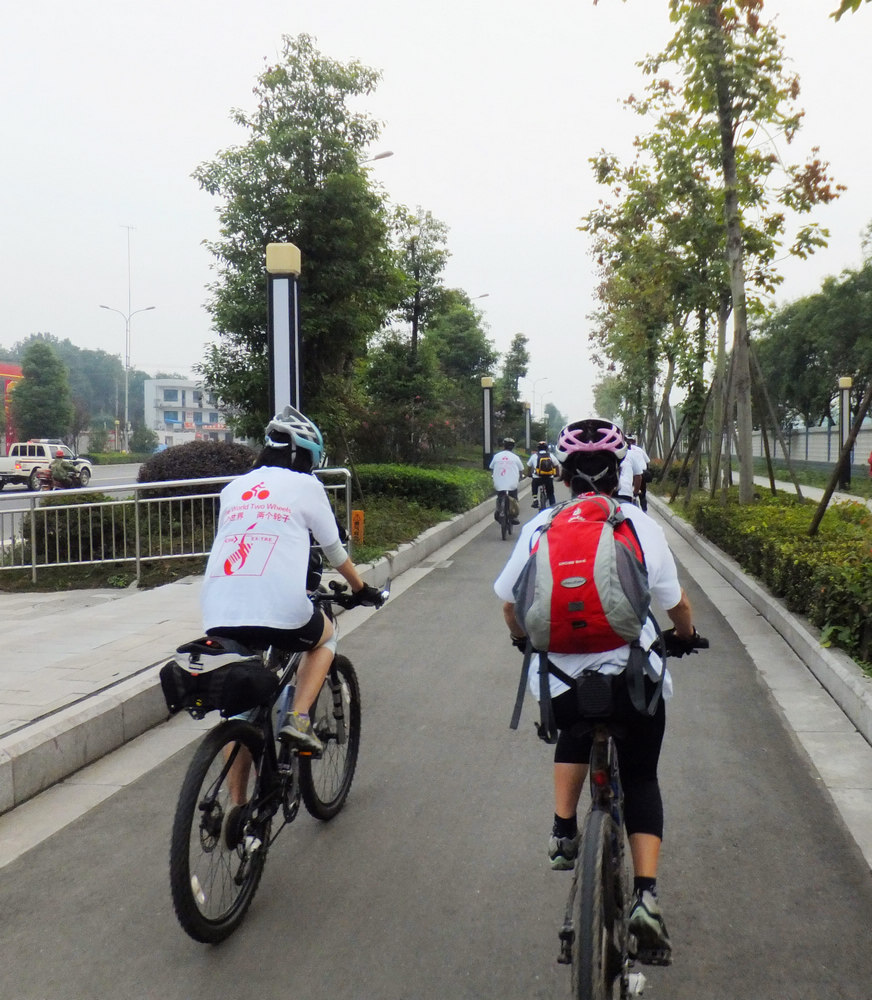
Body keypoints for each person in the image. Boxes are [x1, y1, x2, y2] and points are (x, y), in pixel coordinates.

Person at [494, 417, 698, 966]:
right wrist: (684, 636)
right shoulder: (639, 525)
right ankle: (646, 898)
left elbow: (510, 605)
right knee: (641, 775)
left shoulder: (542, 525)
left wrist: (524, 642)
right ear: (619, 474)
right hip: (633, 681)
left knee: (575, 729)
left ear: (563, 476)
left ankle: (564, 831)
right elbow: (676, 603)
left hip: (564, 685)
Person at [201, 405, 383, 760]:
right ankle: (298, 719)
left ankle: (236, 794)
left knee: (241, 713)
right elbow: (334, 550)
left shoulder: (233, 488)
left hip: (217, 611)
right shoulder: (307, 485)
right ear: (303, 455)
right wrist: (361, 589)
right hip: (280, 608)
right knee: (326, 636)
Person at [489, 437, 525, 524]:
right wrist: (520, 477)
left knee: (500, 496)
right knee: (514, 497)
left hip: (499, 483)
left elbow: (491, 468)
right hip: (512, 484)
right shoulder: (516, 457)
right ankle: (514, 516)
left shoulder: (497, 456)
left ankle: (498, 511)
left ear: (503, 446)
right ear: (513, 447)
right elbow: (521, 470)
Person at [617, 434, 649, 507]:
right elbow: (639, 476)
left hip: (609, 493)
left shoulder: (608, 454)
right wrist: (635, 493)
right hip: (626, 492)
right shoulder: (632, 452)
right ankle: (644, 510)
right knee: (642, 495)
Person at [527, 440, 557, 508]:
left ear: (538, 448)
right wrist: (556, 474)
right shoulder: (551, 455)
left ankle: (535, 500)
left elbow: (529, 466)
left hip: (537, 478)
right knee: (550, 493)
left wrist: (529, 474)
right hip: (548, 477)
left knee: (534, 484)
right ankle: (553, 507)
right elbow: (556, 465)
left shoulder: (534, 456)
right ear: (546, 448)